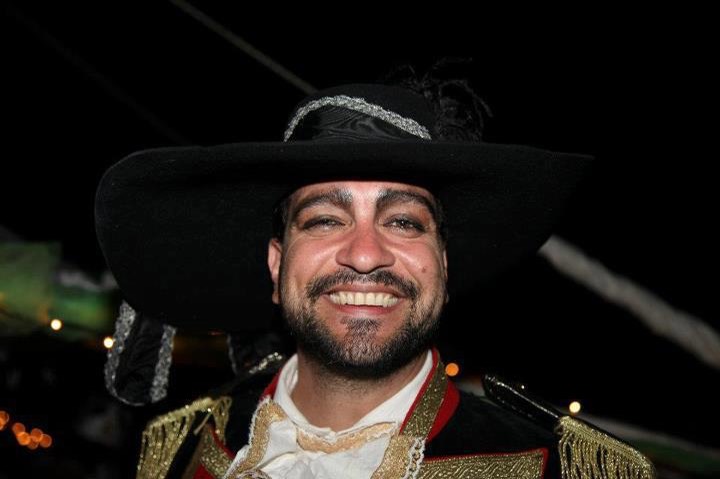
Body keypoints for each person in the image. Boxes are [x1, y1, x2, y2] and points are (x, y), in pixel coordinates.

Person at [95, 69, 656, 478]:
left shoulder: (558, 467)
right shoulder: (182, 449)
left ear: (443, 265)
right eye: (324, 220)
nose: (365, 255)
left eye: (404, 222)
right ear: (277, 263)